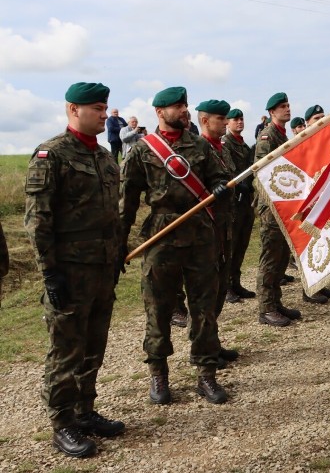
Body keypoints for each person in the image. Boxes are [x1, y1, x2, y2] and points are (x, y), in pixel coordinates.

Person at [25, 82, 124, 458]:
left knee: (93, 345)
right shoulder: (52, 155)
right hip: (69, 271)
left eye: (105, 107)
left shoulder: (104, 157)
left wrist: (116, 257)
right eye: (97, 108)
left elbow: (110, 215)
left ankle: (84, 411)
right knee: (66, 350)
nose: (103, 114)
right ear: (73, 109)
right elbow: (38, 223)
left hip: (101, 268)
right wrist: (49, 273)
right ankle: (62, 422)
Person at [120, 86, 231, 405]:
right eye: (177, 106)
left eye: (185, 105)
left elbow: (217, 176)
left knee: (204, 308)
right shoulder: (143, 150)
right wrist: (119, 244)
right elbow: (126, 201)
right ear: (160, 112)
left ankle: (206, 374)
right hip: (161, 235)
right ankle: (158, 374)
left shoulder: (198, 145)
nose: (184, 110)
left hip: (199, 235)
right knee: (158, 308)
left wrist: (219, 186)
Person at [195, 99, 241, 369]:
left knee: (220, 286)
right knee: (206, 292)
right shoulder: (197, 149)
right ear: (205, 120)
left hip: (224, 225)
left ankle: (213, 341)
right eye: (220, 119)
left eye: (226, 118)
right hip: (206, 228)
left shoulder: (221, 149)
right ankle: (203, 348)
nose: (225, 122)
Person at [254, 93, 306, 326]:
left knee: (282, 255)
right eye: (282, 107)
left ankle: (275, 303)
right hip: (271, 206)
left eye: (288, 105)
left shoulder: (282, 134)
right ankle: (265, 309)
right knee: (271, 257)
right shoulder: (267, 136)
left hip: (285, 204)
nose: (287, 109)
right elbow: (263, 172)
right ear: (272, 112)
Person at [223, 108, 257, 302]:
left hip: (245, 202)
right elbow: (230, 170)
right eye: (235, 119)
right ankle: (226, 285)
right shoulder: (225, 144)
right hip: (233, 202)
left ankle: (235, 282)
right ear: (228, 123)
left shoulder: (244, 146)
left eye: (241, 119)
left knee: (242, 244)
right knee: (231, 245)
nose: (239, 122)